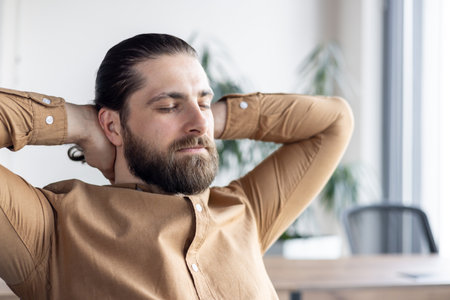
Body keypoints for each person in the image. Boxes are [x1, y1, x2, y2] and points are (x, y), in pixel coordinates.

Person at [0, 33, 353, 299]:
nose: (199, 124)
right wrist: (80, 123)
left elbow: (334, 121)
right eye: (169, 106)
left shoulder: (244, 211)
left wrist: (210, 117)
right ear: (112, 126)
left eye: (204, 101)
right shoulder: (53, 229)